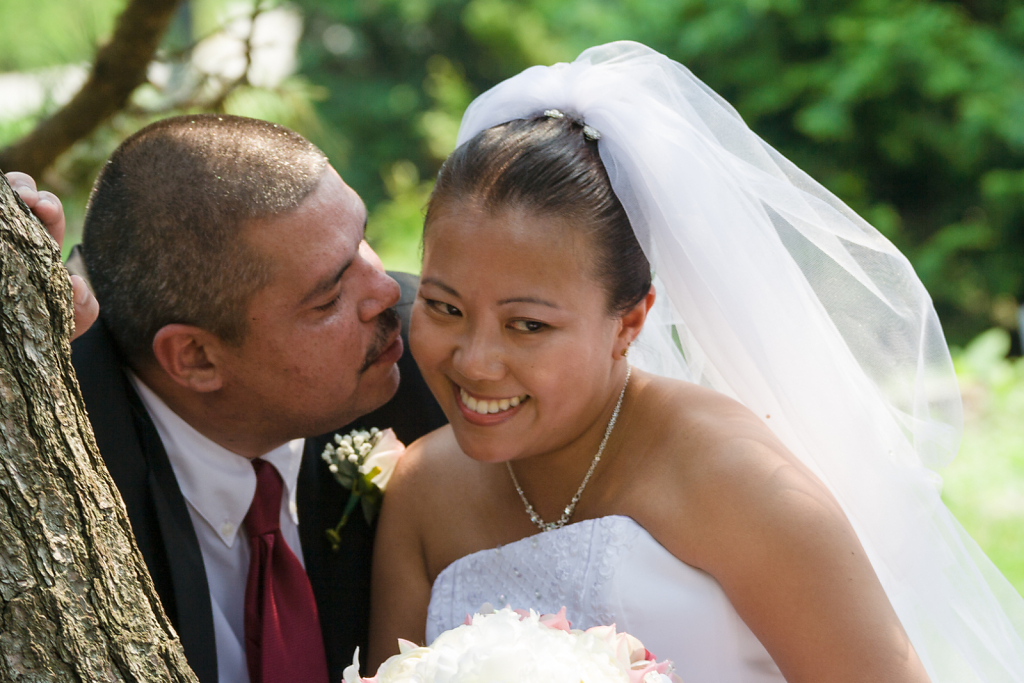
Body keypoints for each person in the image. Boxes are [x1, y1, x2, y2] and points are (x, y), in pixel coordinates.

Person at [368, 42, 1024, 682]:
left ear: (630, 320)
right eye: (444, 307)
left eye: (528, 325)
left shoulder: (740, 479)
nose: (476, 361)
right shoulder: (423, 492)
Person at [7, 114, 446, 683]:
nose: (386, 289)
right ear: (196, 358)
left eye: (362, 238)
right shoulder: (57, 443)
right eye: (330, 295)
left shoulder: (437, 361)